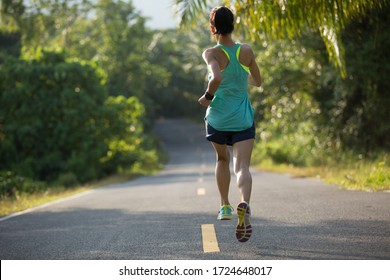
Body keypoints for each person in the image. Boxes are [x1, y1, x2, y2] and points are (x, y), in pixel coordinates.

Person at [198, 6, 262, 242]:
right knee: (242, 166)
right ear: (233, 25)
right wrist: (243, 74)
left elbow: (216, 78)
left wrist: (207, 97)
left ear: (213, 28)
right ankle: (243, 202)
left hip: (218, 118)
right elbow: (258, 81)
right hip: (242, 118)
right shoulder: (245, 51)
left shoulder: (211, 53)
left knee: (222, 159)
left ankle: (225, 206)